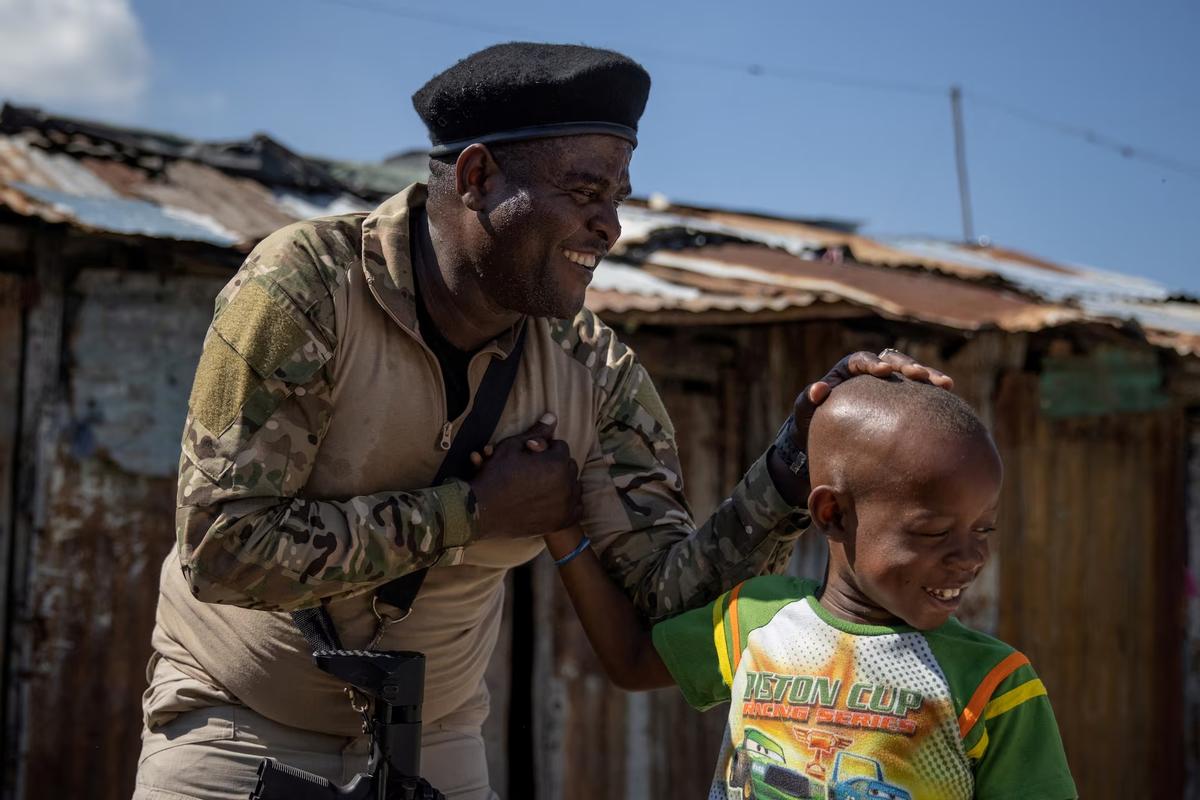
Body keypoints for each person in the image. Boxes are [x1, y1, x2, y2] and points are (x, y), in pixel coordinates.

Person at [133, 41, 951, 800]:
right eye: (586, 192)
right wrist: (473, 515)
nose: (612, 227)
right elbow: (224, 549)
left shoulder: (593, 372)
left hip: (436, 744)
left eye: (617, 199)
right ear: (479, 176)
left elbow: (662, 611)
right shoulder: (307, 289)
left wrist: (785, 473)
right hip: (238, 724)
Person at [545, 375, 1078, 799]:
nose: (971, 556)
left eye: (983, 528)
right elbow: (630, 661)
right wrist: (561, 527)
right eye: (935, 532)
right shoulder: (756, 620)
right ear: (832, 513)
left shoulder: (994, 684)